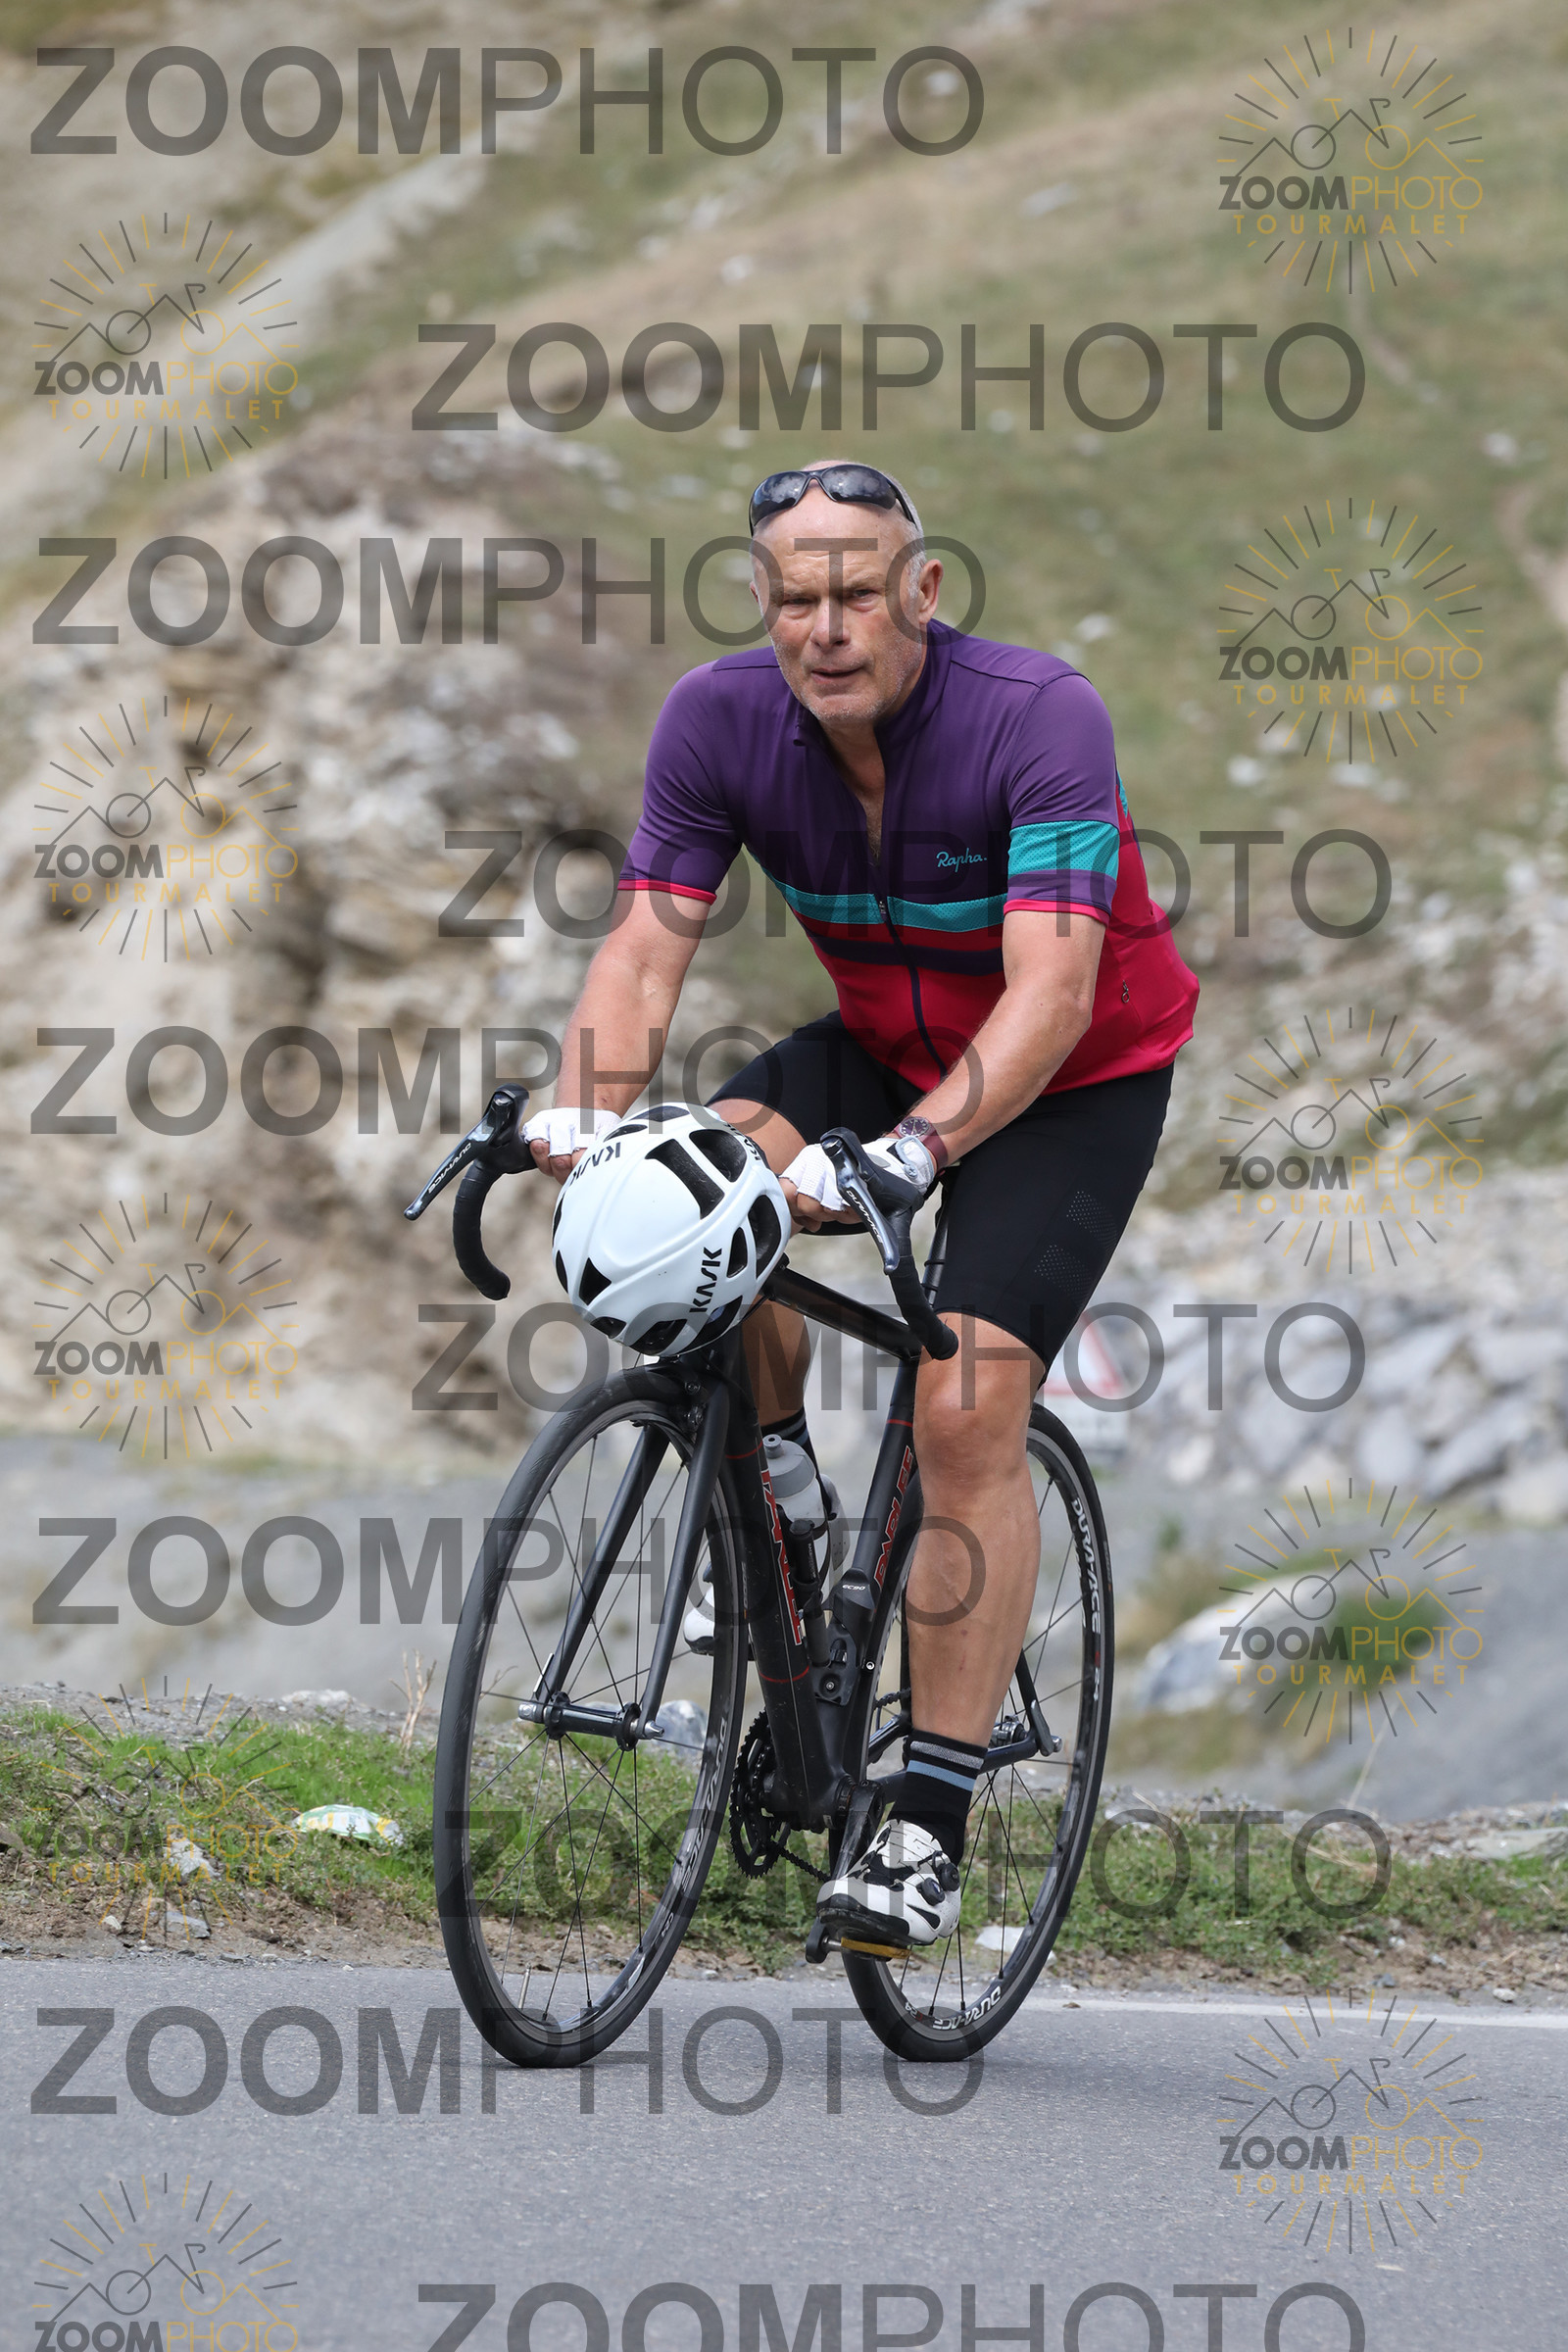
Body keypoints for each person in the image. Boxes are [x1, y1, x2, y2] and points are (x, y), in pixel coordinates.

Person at [524, 461, 1199, 1949]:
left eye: (855, 593)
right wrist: (579, 1110)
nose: (825, 629)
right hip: (883, 1044)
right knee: (687, 1212)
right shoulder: (718, 720)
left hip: (1070, 1078)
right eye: (794, 599)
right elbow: (641, 954)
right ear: (762, 603)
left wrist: (916, 1153)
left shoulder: (1038, 716)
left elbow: (1052, 995)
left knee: (965, 1404)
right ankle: (776, 1491)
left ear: (922, 590)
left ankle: (925, 1827)